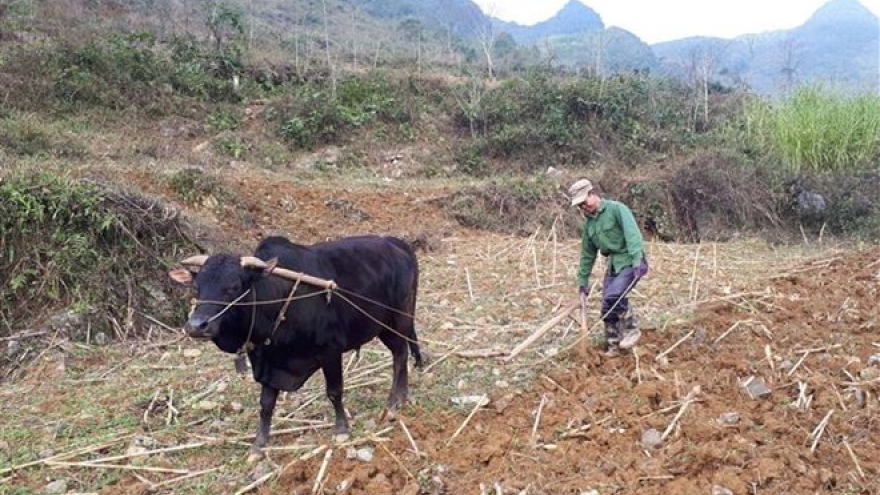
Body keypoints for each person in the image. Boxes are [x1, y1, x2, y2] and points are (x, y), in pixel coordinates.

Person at [569, 179, 648, 357]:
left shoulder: (617, 209)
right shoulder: (589, 225)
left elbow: (633, 234)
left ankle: (631, 329)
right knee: (606, 306)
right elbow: (587, 255)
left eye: (585, 202)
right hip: (613, 265)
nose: (584, 207)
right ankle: (614, 345)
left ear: (593, 194)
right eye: (580, 206)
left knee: (615, 295)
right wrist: (582, 281)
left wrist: (637, 261)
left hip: (630, 260)